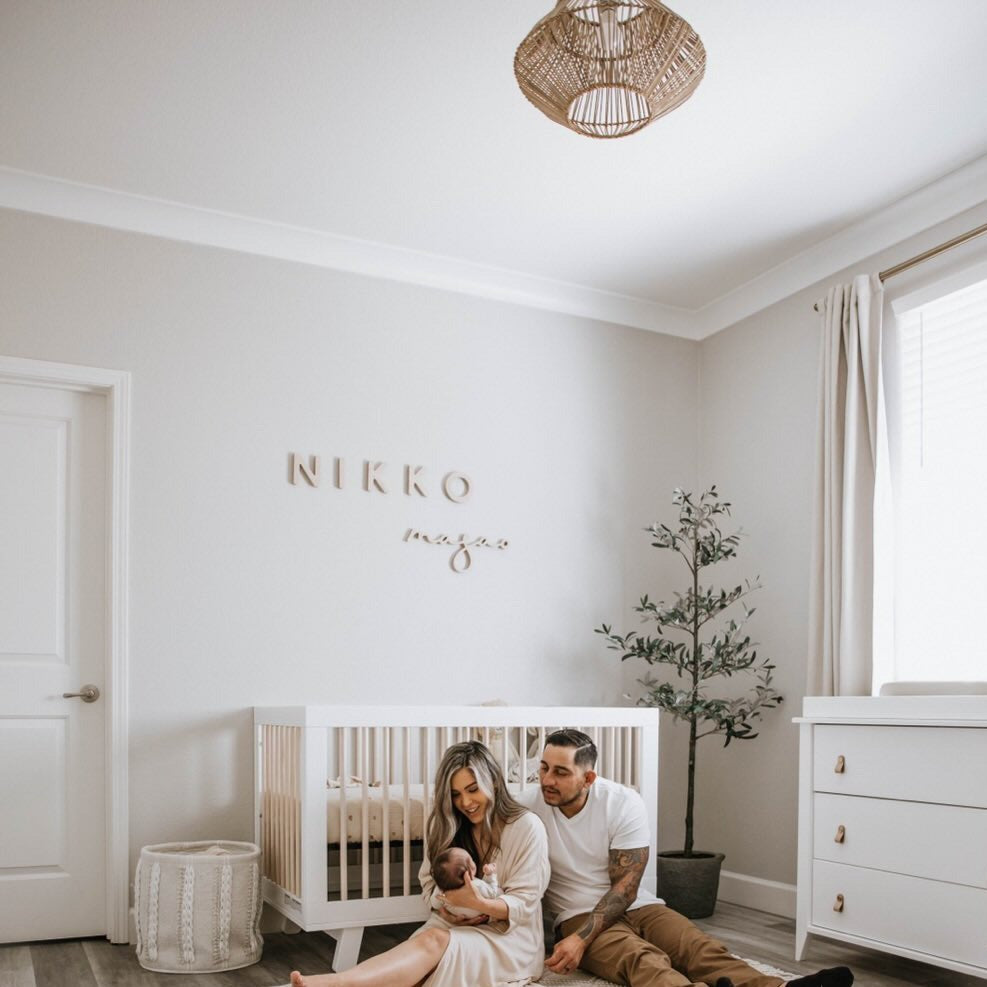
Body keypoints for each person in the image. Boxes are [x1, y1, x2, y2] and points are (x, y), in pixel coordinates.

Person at [519, 728, 853, 987]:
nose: (547, 780)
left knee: (696, 946)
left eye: (560, 773)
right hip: (577, 914)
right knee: (640, 959)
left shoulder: (622, 802)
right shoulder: (525, 805)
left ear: (588, 778)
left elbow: (626, 887)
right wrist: (577, 937)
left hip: (636, 905)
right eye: (544, 768)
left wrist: (582, 940)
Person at [290, 740, 549, 987]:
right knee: (415, 968)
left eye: (473, 790)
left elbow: (524, 902)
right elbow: (429, 885)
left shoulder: (526, 827)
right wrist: (448, 908)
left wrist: (479, 904)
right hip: (451, 924)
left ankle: (335, 983)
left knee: (432, 944)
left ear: (493, 781)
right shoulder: (444, 824)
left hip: (508, 940)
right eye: (455, 794)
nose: (465, 803)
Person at [430, 847, 499, 918]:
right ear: (469, 872)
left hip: (461, 918)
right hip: (486, 916)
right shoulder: (476, 886)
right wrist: (490, 874)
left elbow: (434, 904)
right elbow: (493, 893)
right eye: (471, 859)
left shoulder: (440, 891)